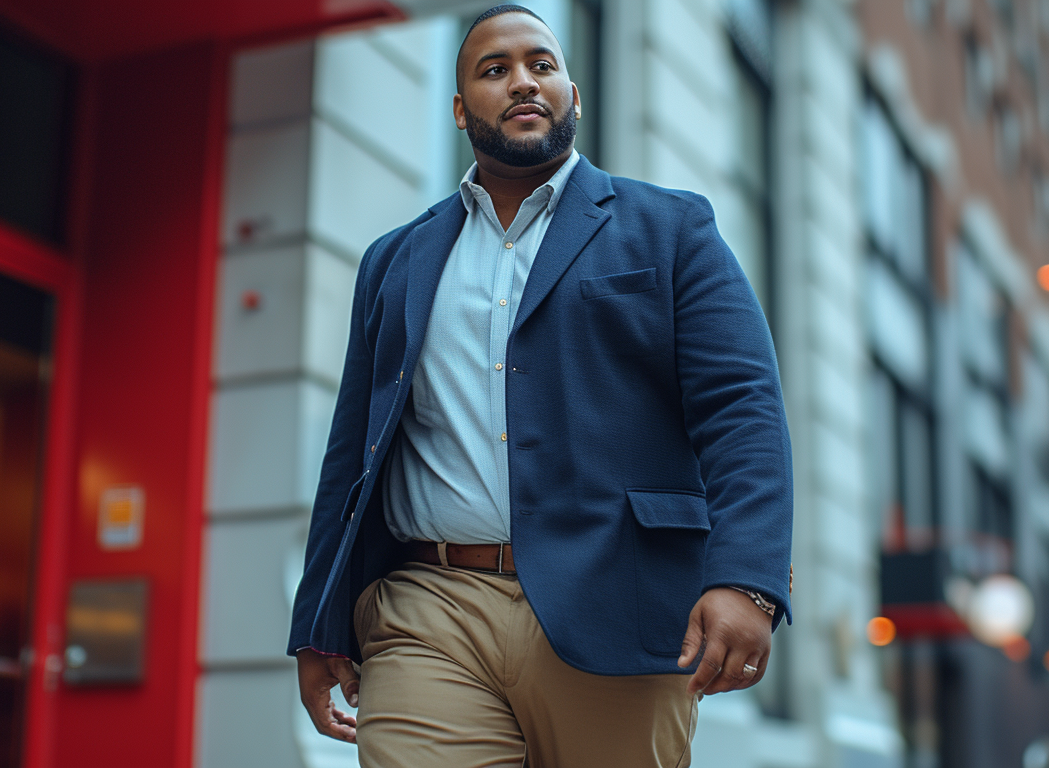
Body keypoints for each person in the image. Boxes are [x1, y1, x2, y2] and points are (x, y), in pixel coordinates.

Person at [288, 5, 793, 766]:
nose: (522, 81)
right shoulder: (395, 261)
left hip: (615, 602)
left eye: (541, 64)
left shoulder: (671, 229)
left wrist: (748, 577)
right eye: (494, 70)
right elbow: (351, 453)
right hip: (430, 608)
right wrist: (319, 623)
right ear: (460, 109)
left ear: (573, 93)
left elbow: (742, 410)